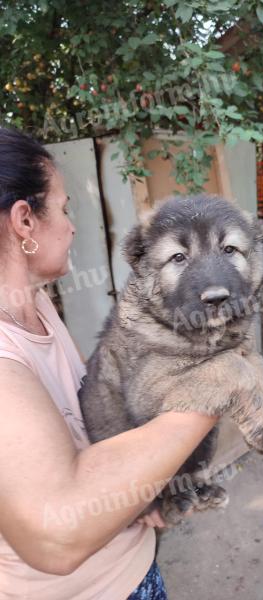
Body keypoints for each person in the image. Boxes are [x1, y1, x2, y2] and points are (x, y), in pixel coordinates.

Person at [0, 127, 219, 599]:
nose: (72, 225)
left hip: (133, 568)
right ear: (24, 221)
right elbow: (54, 537)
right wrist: (214, 390)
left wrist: (139, 492)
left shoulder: (33, 305)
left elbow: (90, 405)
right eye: (63, 208)